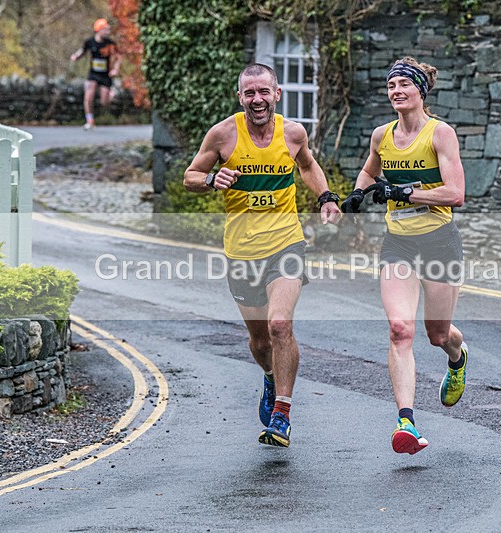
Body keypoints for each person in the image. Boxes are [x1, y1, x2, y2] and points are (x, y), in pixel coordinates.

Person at [183, 64, 342, 448]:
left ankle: (282, 415)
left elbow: (307, 165)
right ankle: (270, 376)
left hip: (286, 243)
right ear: (240, 97)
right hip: (240, 252)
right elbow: (190, 176)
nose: (257, 99)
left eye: (263, 92)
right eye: (249, 93)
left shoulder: (293, 133)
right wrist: (210, 179)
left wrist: (326, 197)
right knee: (259, 342)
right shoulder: (222, 135)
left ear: (277, 94)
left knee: (279, 325)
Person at [342, 57, 467, 455]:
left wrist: (403, 193)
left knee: (437, 334)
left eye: (403, 85)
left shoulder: (439, 133)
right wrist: (358, 194)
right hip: (398, 242)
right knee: (400, 329)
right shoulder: (382, 134)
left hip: (438, 241)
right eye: (391, 86)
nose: (396, 91)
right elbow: (368, 170)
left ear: (420, 91)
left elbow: (455, 194)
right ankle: (406, 422)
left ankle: (458, 358)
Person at [70, 18, 121, 130]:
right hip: (93, 74)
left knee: (104, 102)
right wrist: (75, 56)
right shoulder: (90, 42)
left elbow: (118, 57)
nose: (108, 31)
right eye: (105, 29)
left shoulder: (110, 44)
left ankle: (112, 94)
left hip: (106, 75)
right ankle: (90, 120)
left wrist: (115, 69)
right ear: (99, 30)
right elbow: (82, 51)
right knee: (88, 96)